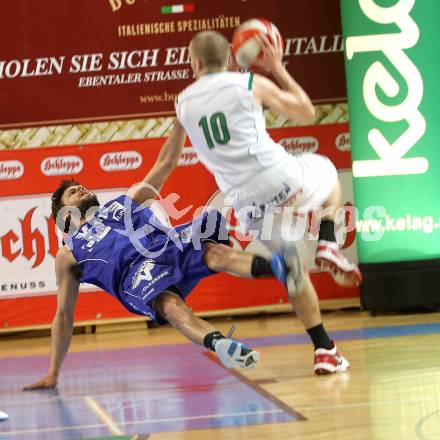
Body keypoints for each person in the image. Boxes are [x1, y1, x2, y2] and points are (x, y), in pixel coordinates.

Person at [23, 122, 293, 391]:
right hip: (135, 277)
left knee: (214, 251)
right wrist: (53, 372)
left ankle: (281, 268)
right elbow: (63, 316)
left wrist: (181, 121)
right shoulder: (69, 253)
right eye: (73, 192)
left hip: (166, 247)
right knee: (171, 307)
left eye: (82, 186)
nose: (81, 188)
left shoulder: (124, 202)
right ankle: (219, 344)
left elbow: (166, 162)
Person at [175, 30, 361, 374]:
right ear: (229, 59)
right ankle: (328, 243)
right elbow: (306, 112)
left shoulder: (183, 102)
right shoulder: (248, 83)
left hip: (246, 203)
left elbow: (169, 157)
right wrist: (277, 68)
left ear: (195, 63)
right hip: (278, 176)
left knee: (293, 271)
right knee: (328, 172)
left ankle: (324, 349)